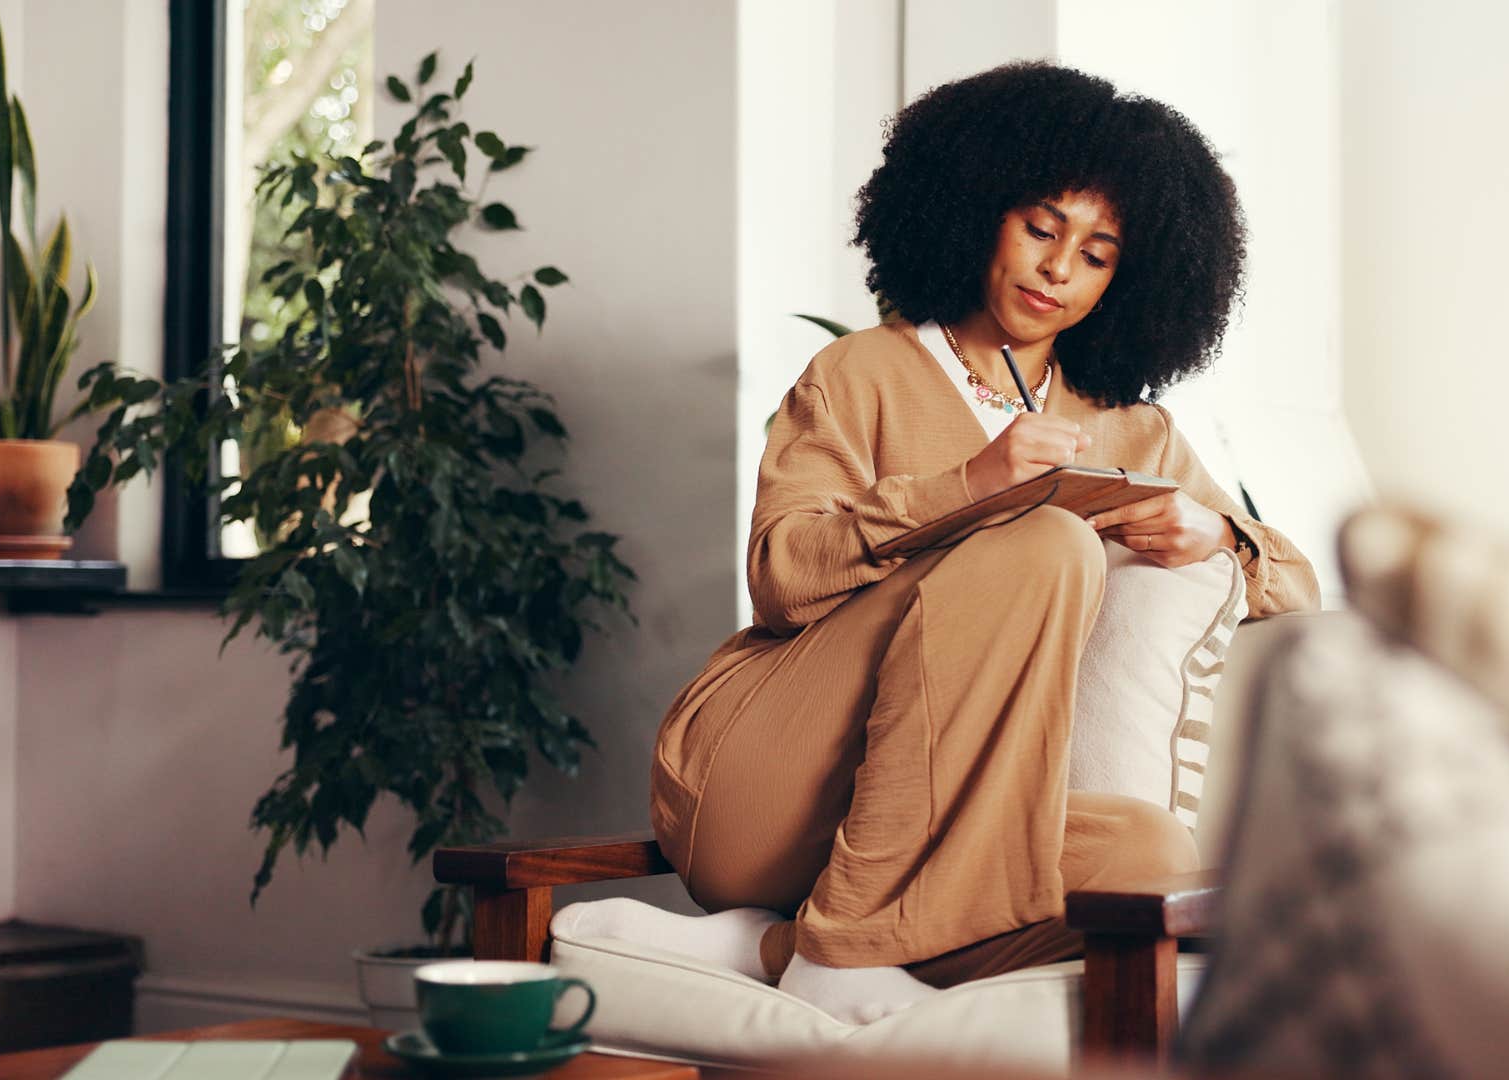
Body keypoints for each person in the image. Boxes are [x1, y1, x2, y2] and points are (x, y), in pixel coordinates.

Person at [557, 61, 1321, 1025]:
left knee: (1147, 860)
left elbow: (1297, 582)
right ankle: (837, 947)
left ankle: (784, 946)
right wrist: (972, 487)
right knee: (1043, 543)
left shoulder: (1136, 432)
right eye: (1042, 228)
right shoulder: (861, 372)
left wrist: (1216, 531)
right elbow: (781, 578)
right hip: (770, 788)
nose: (1058, 269)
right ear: (976, 209)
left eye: (1097, 253)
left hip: (938, 828)